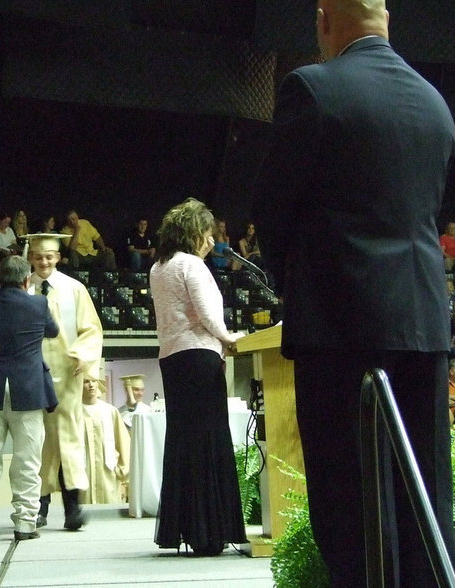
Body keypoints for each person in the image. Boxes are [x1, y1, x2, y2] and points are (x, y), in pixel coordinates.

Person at [252, 1, 455, 584]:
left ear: (323, 21)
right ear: (387, 20)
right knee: (425, 503)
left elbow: (273, 211)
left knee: (350, 512)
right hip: (422, 321)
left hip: (341, 327)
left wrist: (292, 274)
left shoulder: (312, 89)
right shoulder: (434, 103)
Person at [149, 198, 247, 556]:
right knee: (209, 439)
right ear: (195, 233)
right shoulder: (191, 264)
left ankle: (189, 528)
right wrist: (227, 337)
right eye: (207, 234)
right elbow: (207, 313)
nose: (211, 241)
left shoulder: (159, 267)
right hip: (199, 357)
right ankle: (211, 532)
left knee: (184, 442)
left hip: (172, 360)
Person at [0, 255, 59, 542]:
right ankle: (25, 522)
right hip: (27, 391)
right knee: (27, 458)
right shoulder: (38, 304)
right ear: (26, 279)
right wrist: (35, 297)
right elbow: (52, 330)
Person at [26, 234, 104, 530]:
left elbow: (92, 330)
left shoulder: (74, 289)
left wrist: (83, 356)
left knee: (68, 438)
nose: (43, 262)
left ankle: (73, 507)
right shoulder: (24, 289)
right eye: (37, 257)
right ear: (30, 258)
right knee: (37, 440)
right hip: (32, 374)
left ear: (58, 258)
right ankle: (38, 506)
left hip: (68, 374)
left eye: (49, 257)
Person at [79, 377, 129, 505]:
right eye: (86, 381)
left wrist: (122, 473)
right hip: (83, 476)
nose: (91, 385)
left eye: (94, 381)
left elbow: (123, 443)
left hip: (107, 476)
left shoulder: (110, 411)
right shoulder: (74, 412)